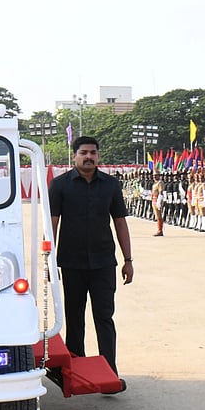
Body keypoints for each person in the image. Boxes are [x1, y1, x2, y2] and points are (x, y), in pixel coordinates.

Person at [49, 136, 133, 387]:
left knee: (104, 317)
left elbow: (120, 222)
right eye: (84, 152)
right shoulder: (60, 185)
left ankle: (109, 373)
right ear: (74, 155)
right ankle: (77, 375)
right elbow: (52, 224)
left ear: (98, 156)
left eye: (93, 153)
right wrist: (49, 262)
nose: (89, 157)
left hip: (104, 263)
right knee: (74, 319)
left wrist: (128, 259)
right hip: (72, 263)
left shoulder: (110, 185)